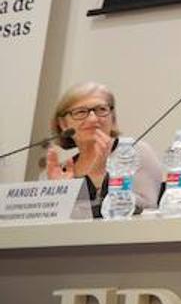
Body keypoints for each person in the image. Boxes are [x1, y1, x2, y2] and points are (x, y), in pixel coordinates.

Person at [43, 82, 164, 216]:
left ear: (112, 117)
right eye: (81, 112)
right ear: (63, 124)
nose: (93, 118)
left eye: (101, 109)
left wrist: (101, 179)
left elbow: (147, 208)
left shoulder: (135, 152)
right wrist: (61, 196)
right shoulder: (60, 171)